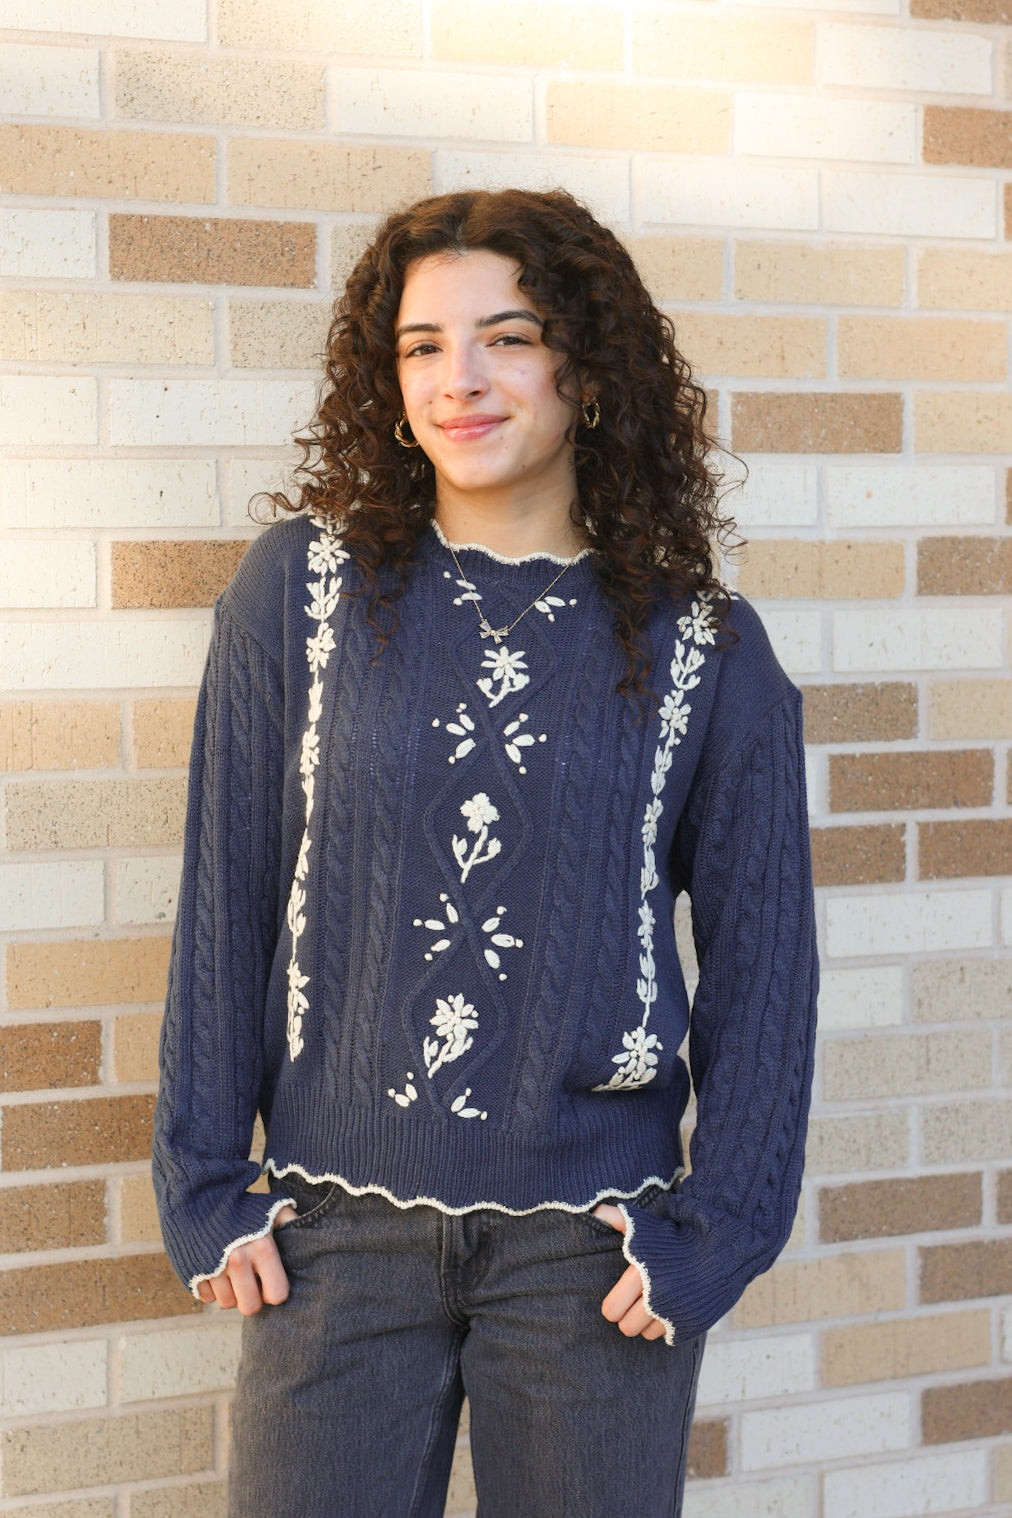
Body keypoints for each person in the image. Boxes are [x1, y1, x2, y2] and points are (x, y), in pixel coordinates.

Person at [153, 187, 819, 1518]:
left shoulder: (706, 648)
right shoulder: (300, 593)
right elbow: (226, 897)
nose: (457, 379)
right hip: (333, 1239)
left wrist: (719, 1231)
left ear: (589, 365)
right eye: (422, 346)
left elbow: (767, 970)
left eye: (507, 338)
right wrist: (206, 1184)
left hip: (593, 1251)